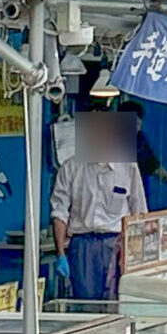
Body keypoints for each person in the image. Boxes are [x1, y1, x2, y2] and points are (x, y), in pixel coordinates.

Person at [51, 113, 147, 304]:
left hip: (117, 243)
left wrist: (138, 255)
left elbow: (139, 212)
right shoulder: (70, 168)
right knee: (86, 305)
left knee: (117, 302)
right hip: (83, 245)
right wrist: (60, 253)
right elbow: (59, 211)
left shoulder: (128, 167)